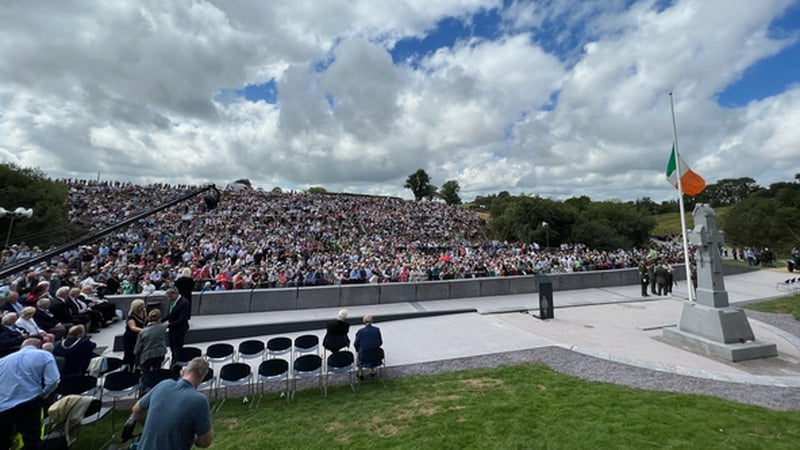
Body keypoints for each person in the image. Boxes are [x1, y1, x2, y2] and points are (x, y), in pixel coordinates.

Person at [129, 357, 213, 450]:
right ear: (201, 379)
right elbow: (205, 442)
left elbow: (136, 410)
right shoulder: (199, 400)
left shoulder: (163, 385)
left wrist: (152, 425)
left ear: (182, 372)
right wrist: (193, 437)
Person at [0, 338, 61, 449]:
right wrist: (43, 394)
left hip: (4, 407)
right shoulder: (44, 355)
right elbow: (53, 380)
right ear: (40, 345)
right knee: (32, 440)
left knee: (3, 441)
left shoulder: (3, 361)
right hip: (28, 402)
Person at [354, 314, 383, 379]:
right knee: (372, 350)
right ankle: (372, 370)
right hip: (376, 355)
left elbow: (356, 344)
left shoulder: (360, 331)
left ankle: (360, 372)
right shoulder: (377, 330)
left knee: (361, 352)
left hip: (364, 355)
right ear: (372, 321)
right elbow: (380, 342)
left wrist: (357, 349)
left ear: (364, 321)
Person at [164, 287, 190, 359]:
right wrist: (161, 320)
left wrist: (168, 325)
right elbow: (170, 313)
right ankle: (173, 358)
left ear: (175, 294)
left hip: (180, 329)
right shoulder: (172, 301)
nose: (169, 298)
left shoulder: (184, 303)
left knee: (177, 347)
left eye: (170, 296)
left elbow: (182, 318)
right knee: (172, 345)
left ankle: (177, 361)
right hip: (172, 328)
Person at [123, 300, 147, 371]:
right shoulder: (131, 317)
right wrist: (145, 330)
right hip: (130, 338)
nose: (143, 307)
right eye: (141, 306)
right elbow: (133, 327)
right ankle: (129, 369)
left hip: (139, 337)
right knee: (130, 354)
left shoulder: (144, 313)